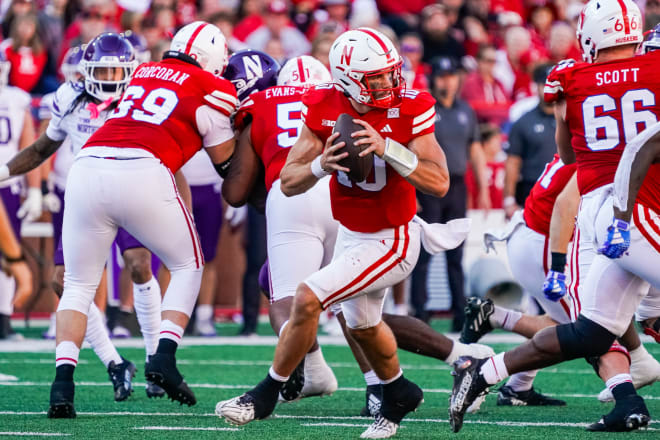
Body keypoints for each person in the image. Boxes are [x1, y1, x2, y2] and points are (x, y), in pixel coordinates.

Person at [216, 27, 451, 439]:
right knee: (362, 324)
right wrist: (321, 165)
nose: (389, 83)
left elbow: (438, 181)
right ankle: (398, 389)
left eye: (390, 73)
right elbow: (288, 181)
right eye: (375, 77)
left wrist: (388, 148)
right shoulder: (323, 106)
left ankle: (266, 393)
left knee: (308, 297)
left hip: (394, 235)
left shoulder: (412, 107)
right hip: (351, 233)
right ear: (346, 80)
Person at [1, 22, 237, 417]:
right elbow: (225, 163)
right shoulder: (208, 86)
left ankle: (62, 386)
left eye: (116, 71)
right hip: (141, 173)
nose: (110, 79)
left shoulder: (143, 76)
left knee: (84, 283)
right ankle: (160, 357)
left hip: (87, 171)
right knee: (188, 264)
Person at [448, 1, 660, 432]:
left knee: (593, 331)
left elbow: (566, 154)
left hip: (600, 209)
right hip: (634, 210)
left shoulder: (571, 78)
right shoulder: (654, 68)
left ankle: (482, 373)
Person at [6, 34, 169, 402]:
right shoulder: (69, 98)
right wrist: (4, 172)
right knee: (63, 282)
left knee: (139, 262)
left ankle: (154, 360)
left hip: (131, 188)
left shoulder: (142, 97)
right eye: (102, 70)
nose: (110, 77)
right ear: (85, 72)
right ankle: (114, 362)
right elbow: (41, 147)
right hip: (85, 198)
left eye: (117, 69)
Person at [223, 53, 339, 400]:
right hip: (343, 195)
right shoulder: (338, 98)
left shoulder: (260, 102)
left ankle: (301, 366)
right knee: (357, 304)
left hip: (293, 197)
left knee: (283, 298)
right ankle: (381, 387)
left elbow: (236, 192)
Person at [463, 154, 577, 406]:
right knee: (585, 329)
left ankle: (518, 386)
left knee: (565, 322)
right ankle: (624, 390)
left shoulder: (575, 152)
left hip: (528, 235)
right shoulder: (592, 157)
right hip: (542, 242)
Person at [410, 56, 489, 330]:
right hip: (429, 184)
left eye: (451, 76)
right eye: (442, 76)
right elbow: (411, 150)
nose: (447, 81)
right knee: (424, 252)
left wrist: (483, 188)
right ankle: (420, 310)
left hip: (456, 185)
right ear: (434, 79)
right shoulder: (425, 109)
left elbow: (475, 149)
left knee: (456, 252)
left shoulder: (465, 110)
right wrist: (414, 190)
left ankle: (459, 312)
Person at [0, 48, 39, 340]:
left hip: (8, 180)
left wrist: (36, 189)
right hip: (8, 179)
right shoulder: (15, 99)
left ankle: (4, 316)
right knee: (9, 256)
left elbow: (31, 144)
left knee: (8, 254)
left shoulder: (17, 99)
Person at [503, 63, 557, 219]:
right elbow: (513, 162)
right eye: (545, 84)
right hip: (532, 189)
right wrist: (509, 199)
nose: (549, 89)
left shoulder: (571, 119)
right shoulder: (523, 122)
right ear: (537, 86)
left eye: (552, 84)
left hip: (565, 188)